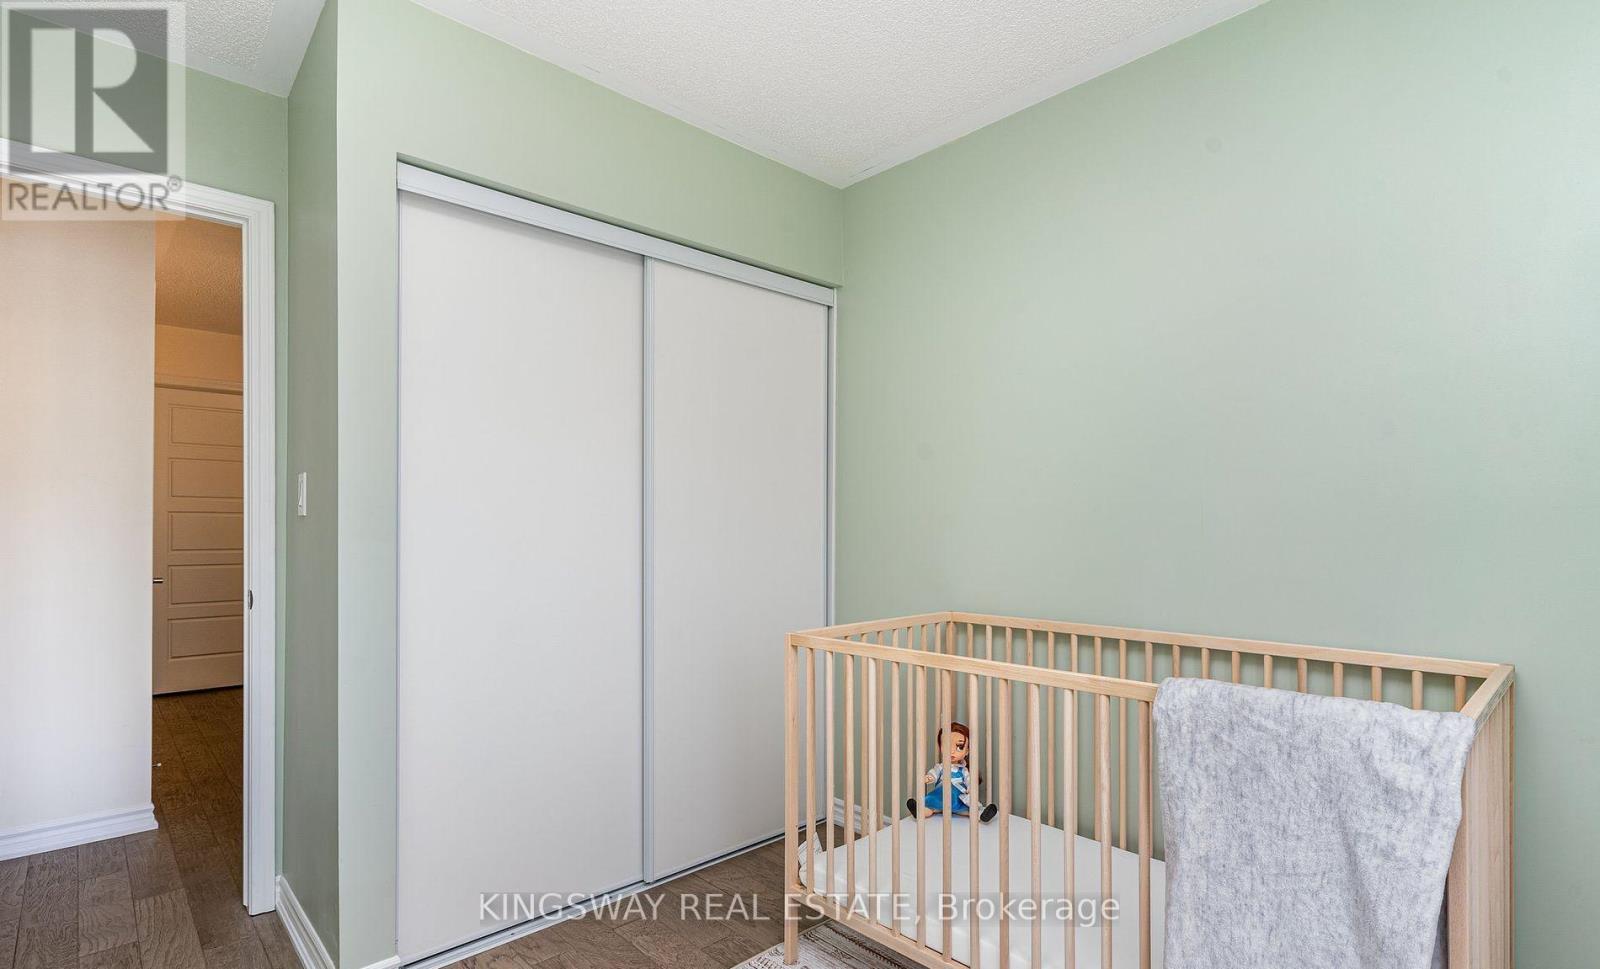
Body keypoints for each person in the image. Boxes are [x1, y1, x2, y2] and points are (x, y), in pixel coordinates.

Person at [905, 720, 999, 822]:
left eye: (960, 747)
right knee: (930, 807)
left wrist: (971, 786)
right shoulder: (941, 767)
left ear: (967, 751)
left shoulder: (964, 770)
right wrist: (930, 777)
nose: (952, 751)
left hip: (957, 797)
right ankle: (919, 812)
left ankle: (982, 815)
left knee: (969, 809)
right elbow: (934, 772)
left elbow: (969, 779)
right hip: (940, 796)